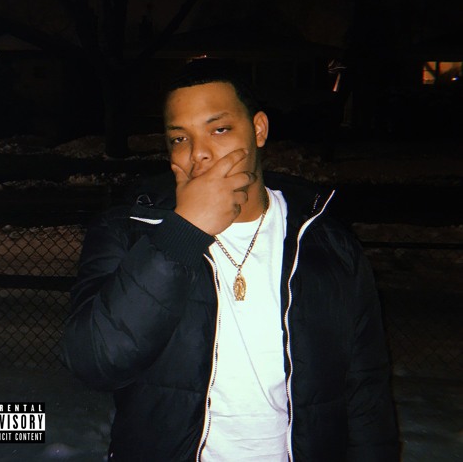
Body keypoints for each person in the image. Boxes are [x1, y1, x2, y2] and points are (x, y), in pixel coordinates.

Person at [61, 59, 399, 461]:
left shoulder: (326, 242)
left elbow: (365, 389)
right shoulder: (128, 230)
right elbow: (95, 362)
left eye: (219, 130)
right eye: (179, 138)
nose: (199, 154)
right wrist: (182, 234)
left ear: (259, 130)